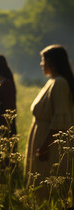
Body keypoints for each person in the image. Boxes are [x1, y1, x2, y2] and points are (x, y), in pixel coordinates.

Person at [26, 45, 74, 199]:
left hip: (51, 143)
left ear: (52, 62)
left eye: (43, 60)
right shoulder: (53, 81)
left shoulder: (60, 83)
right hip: (44, 137)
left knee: (47, 182)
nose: (41, 64)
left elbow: (61, 119)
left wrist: (47, 145)